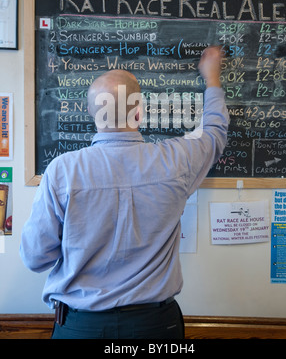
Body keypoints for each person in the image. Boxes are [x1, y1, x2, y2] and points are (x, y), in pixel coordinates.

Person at [20, 46, 229, 339]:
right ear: (139, 113)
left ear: (92, 113)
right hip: (156, 326)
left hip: (81, 326)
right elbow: (214, 133)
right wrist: (212, 79)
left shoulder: (62, 172)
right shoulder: (177, 160)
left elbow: (35, 258)